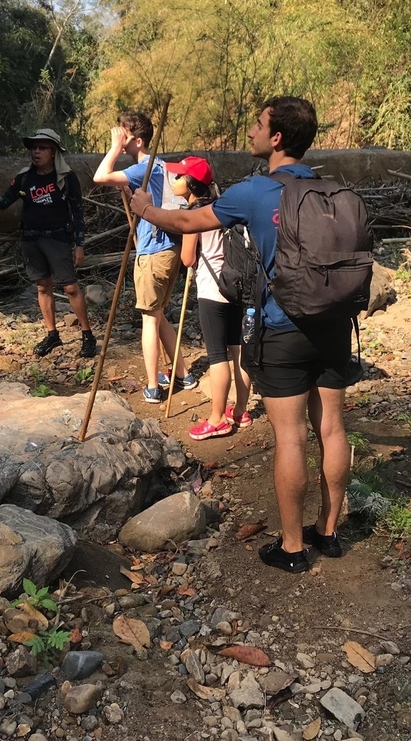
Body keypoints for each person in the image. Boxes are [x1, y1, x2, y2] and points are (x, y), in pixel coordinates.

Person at [130, 97, 353, 573]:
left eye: (258, 124)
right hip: (334, 325)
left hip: (284, 328)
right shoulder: (330, 189)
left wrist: (146, 208)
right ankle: (328, 532)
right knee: (332, 428)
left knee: (290, 437)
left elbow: (187, 221)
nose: (251, 131)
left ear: (277, 138)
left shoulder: (255, 191)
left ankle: (292, 548)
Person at [0, 129, 97, 359]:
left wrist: (79, 244)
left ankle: (87, 335)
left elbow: (77, 211)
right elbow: (4, 201)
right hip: (31, 240)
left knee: (70, 287)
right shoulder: (24, 178)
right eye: (34, 148)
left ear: (53, 152)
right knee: (43, 286)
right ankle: (52, 334)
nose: (36, 152)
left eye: (42, 148)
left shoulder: (65, 177)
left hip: (57, 238)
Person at [93, 111, 197, 403]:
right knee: (158, 314)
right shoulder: (159, 166)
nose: (120, 138)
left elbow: (100, 176)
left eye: (125, 135)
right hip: (169, 249)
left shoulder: (144, 167)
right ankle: (183, 373)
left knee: (149, 319)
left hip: (154, 251)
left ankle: (152, 386)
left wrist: (114, 149)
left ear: (138, 140)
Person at [163, 156, 251, 441]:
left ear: (191, 184)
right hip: (236, 285)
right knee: (238, 350)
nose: (175, 180)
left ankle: (217, 419)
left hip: (212, 290)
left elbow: (188, 259)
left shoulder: (195, 214)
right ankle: (240, 410)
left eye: (179, 176)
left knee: (217, 355)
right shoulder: (222, 207)